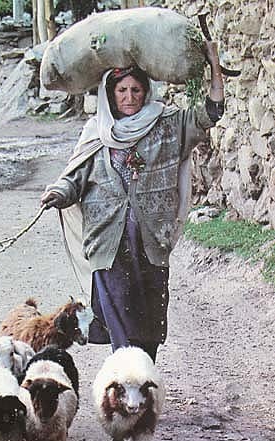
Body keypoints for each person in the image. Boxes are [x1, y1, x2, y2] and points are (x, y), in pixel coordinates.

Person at [40, 41, 225, 362]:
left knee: (149, 320)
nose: (129, 98)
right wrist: (59, 193)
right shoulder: (96, 132)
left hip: (150, 241)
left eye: (136, 90)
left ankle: (142, 380)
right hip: (107, 244)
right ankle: (125, 381)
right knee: (120, 323)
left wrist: (214, 64)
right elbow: (75, 178)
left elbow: (212, 112)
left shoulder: (168, 125)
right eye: (122, 91)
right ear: (110, 95)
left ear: (146, 92)